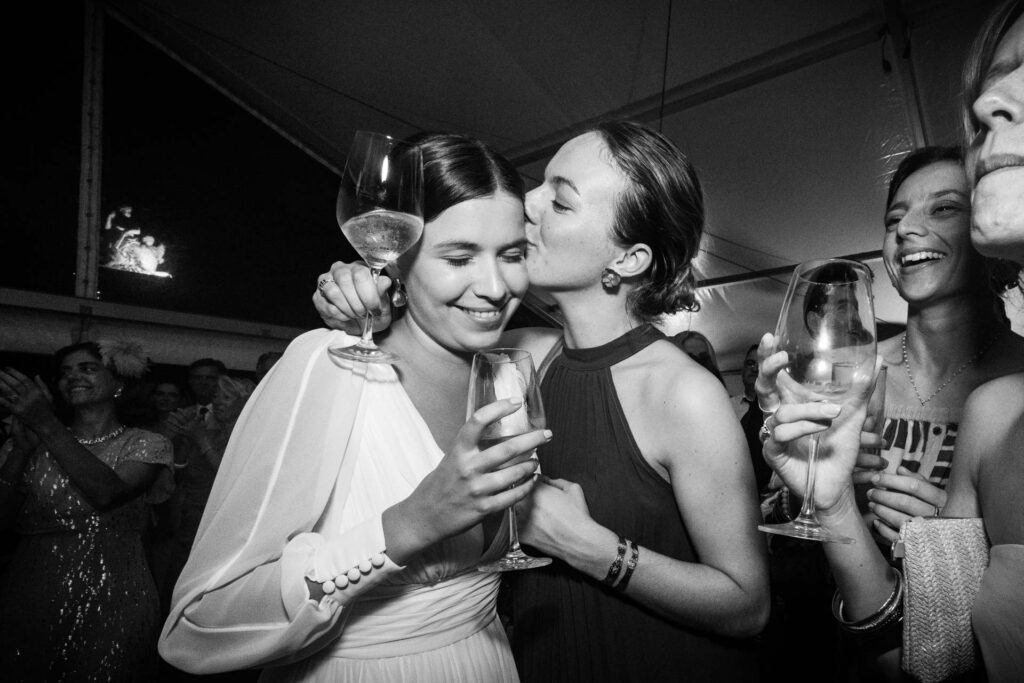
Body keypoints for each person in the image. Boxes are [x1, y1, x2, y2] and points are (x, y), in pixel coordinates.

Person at [316, 120, 769, 682]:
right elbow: (424, 334)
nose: (526, 203)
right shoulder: (520, 355)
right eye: (539, 185)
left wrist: (588, 546)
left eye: (559, 201)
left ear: (628, 260)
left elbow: (747, 606)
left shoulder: (683, 393)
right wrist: (370, 298)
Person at [159, 132, 550, 681]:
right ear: (398, 259)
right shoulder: (329, 366)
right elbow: (201, 624)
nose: (493, 286)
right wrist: (408, 524)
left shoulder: (511, 376)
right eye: (458, 257)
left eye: (511, 255)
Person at [759, 2, 1024, 680]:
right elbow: (787, 521)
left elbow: (957, 637)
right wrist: (802, 471)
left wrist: (958, 541)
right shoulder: (852, 370)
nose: (907, 230)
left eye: (943, 208)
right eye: (895, 216)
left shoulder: (1008, 384)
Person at [0, 340, 174, 680]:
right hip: (32, 593)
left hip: (117, 594)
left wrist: (44, 422)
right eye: (65, 372)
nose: (72, 377)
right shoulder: (31, 442)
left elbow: (106, 491)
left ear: (119, 384)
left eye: (87, 369)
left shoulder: (147, 444)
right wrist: (20, 452)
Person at [186, 358, 224, 426]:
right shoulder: (183, 415)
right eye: (198, 378)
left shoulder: (230, 415)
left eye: (210, 378)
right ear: (190, 381)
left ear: (222, 381)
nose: (203, 382)